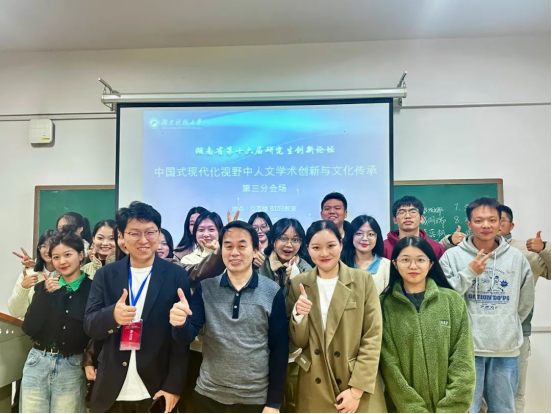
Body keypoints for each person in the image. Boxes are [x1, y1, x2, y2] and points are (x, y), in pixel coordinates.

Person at [84, 201, 191, 413]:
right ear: (122, 237)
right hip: (111, 389)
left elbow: (181, 342)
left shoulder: (175, 275)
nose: (143, 240)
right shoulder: (106, 274)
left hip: (155, 390)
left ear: (159, 234)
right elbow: (90, 325)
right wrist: (112, 316)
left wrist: (173, 386)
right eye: (134, 233)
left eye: (150, 232)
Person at [171, 221, 289, 414]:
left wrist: (274, 402)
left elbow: (280, 349)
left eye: (242, 246)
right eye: (228, 246)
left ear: (256, 250)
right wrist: (180, 323)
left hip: (254, 399)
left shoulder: (271, 291)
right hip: (208, 395)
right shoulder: (206, 288)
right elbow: (186, 336)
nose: (234, 253)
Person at [440, 198, 535, 414]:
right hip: (465, 349)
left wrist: (507, 322)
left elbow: (525, 300)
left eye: (492, 220)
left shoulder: (516, 258)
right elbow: (444, 300)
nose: (486, 225)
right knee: (466, 409)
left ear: (501, 223)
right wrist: (469, 272)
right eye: (479, 220)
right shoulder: (452, 257)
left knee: (504, 409)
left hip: (505, 348)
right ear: (469, 224)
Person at [287, 220, 386, 413]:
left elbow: (373, 337)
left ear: (341, 244)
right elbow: (298, 342)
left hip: (355, 380)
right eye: (316, 247)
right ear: (307, 249)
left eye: (331, 246)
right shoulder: (299, 284)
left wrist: (356, 391)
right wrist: (298, 315)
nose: (324, 253)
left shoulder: (362, 280)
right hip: (315, 384)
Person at [380, 236, 476, 413]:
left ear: (431, 264)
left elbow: (463, 361)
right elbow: (390, 367)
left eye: (420, 260)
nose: (413, 266)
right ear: (395, 264)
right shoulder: (384, 306)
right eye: (405, 260)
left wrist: (451, 408)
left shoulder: (452, 301)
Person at [20, 227, 91, 413]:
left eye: (68, 255)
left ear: (80, 255)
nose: (62, 262)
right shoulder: (43, 287)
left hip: (71, 364)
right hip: (37, 362)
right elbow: (29, 328)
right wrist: (45, 295)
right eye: (56, 257)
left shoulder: (92, 289)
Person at [8, 230, 57, 319]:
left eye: (52, 245)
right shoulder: (29, 274)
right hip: (28, 326)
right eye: (44, 246)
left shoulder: (68, 275)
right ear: (39, 249)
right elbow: (15, 312)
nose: (47, 250)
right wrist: (23, 288)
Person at [259, 218, 312, 292]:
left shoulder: (305, 269)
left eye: (295, 240)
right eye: (283, 238)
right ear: (272, 240)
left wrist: (296, 280)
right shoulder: (260, 262)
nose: (289, 245)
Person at [384, 196, 446, 260]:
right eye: (402, 212)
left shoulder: (436, 248)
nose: (407, 216)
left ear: (421, 218)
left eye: (413, 212)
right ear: (395, 220)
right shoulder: (383, 248)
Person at [341, 215, 391, 294]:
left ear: (377, 237)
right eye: (359, 233)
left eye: (370, 234)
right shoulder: (340, 264)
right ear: (351, 236)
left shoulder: (387, 266)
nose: (365, 238)